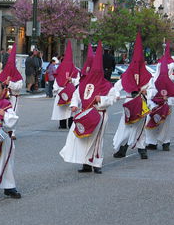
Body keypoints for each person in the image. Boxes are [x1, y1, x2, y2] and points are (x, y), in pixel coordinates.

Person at [60, 41, 116, 174]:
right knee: (83, 138)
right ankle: (85, 163)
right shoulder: (84, 84)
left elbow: (112, 99)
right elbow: (76, 95)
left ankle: (96, 163)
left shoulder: (107, 85)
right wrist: (74, 105)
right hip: (85, 114)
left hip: (99, 115)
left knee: (96, 139)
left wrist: (101, 99)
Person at [113, 32, 152, 159]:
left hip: (141, 103)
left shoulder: (147, 77)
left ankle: (142, 149)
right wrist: (116, 95)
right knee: (127, 126)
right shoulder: (127, 75)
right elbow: (116, 87)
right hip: (130, 104)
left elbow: (152, 89)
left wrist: (147, 92)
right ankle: (123, 148)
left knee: (139, 127)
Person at [145, 42, 174, 151]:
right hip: (154, 103)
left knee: (165, 123)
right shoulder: (154, 78)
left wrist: (169, 99)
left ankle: (165, 142)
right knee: (150, 119)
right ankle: (151, 142)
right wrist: (151, 99)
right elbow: (151, 88)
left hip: (167, 103)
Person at [0, 43, 23, 140]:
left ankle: (12, 132)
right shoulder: (3, 73)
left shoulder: (17, 75)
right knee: (1, 113)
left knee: (12, 114)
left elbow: (19, 86)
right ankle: (1, 130)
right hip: (3, 98)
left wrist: (10, 84)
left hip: (13, 98)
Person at [51, 41, 80, 129]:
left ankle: (71, 123)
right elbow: (56, 80)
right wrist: (57, 90)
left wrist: (72, 80)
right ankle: (62, 124)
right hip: (62, 91)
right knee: (62, 109)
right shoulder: (60, 69)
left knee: (71, 108)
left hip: (71, 92)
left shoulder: (75, 70)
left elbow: (78, 80)